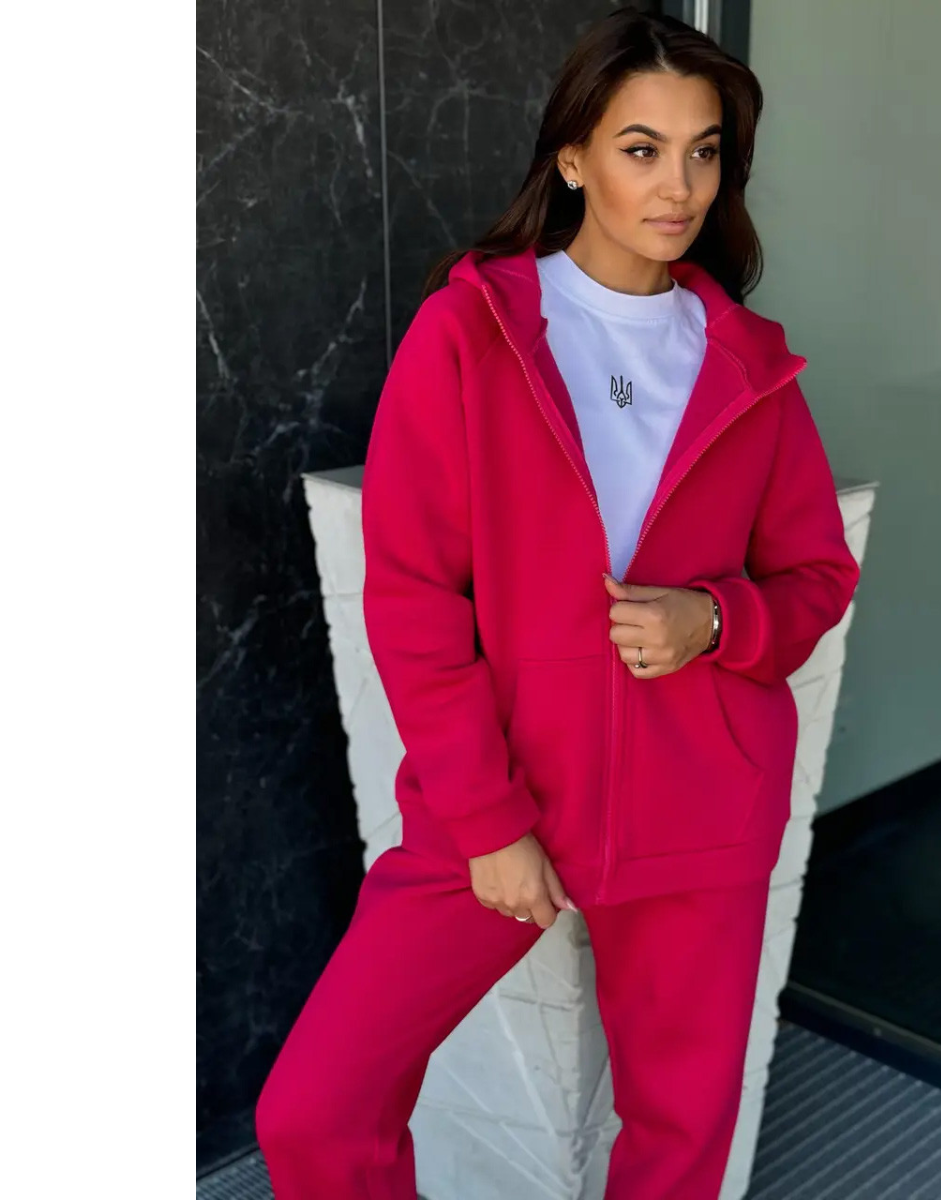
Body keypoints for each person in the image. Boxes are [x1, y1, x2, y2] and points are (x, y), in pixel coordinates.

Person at [255, 7, 860, 1197]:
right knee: (319, 1109)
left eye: (704, 151)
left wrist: (713, 620)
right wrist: (486, 823)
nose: (679, 184)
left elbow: (814, 576)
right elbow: (415, 596)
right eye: (642, 148)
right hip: (507, 794)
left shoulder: (748, 364)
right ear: (573, 157)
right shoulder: (473, 333)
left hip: (701, 804)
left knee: (678, 1147)